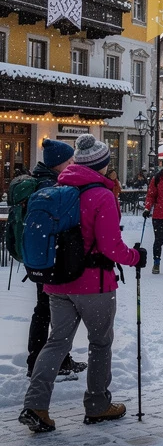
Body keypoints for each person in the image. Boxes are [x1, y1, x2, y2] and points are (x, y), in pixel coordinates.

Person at [20, 135, 145, 433]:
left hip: (57, 283)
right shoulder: (101, 195)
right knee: (100, 343)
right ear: (101, 164)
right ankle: (98, 404)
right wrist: (135, 257)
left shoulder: (60, 188)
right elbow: (111, 246)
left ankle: (36, 405)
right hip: (94, 284)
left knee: (56, 342)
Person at [14, 140, 86, 379]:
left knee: (46, 309)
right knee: (50, 310)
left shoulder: (40, 181)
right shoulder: (50, 186)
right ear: (58, 163)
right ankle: (45, 362)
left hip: (40, 256)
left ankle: (45, 360)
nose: (73, 163)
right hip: (51, 257)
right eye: (69, 160)